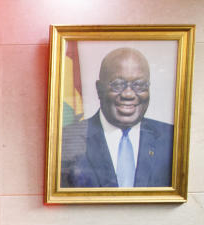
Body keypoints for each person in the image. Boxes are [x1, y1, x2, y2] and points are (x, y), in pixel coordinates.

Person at [61, 47, 173, 188]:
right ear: (99, 89)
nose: (128, 94)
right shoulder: (66, 140)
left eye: (139, 85)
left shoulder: (171, 139)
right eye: (118, 84)